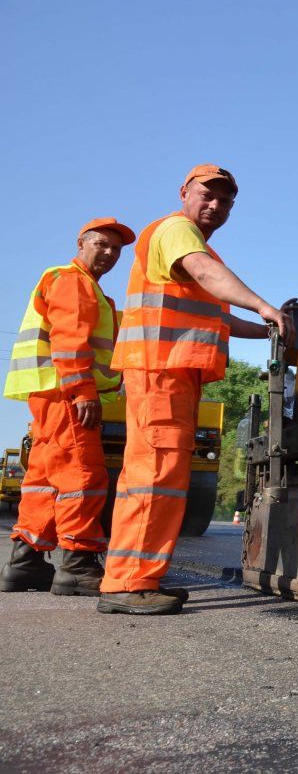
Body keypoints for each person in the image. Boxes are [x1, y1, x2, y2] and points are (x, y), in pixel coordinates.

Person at [98, 164, 294, 615]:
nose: (215, 205)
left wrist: (268, 327)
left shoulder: (195, 248)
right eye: (207, 195)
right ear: (184, 192)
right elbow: (205, 273)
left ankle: (135, 578)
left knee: (159, 477)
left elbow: (218, 317)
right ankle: (128, 584)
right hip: (160, 372)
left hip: (171, 375)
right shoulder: (177, 232)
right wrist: (263, 305)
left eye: (225, 201)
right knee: (155, 477)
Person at [1, 217, 134, 596]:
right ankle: (77, 564)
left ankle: (24, 563)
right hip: (66, 395)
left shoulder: (76, 282)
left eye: (116, 249)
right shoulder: (74, 281)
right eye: (101, 244)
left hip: (50, 397)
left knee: (44, 482)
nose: (109, 253)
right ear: (81, 244)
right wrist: (83, 391)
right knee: (83, 476)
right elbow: (69, 339)